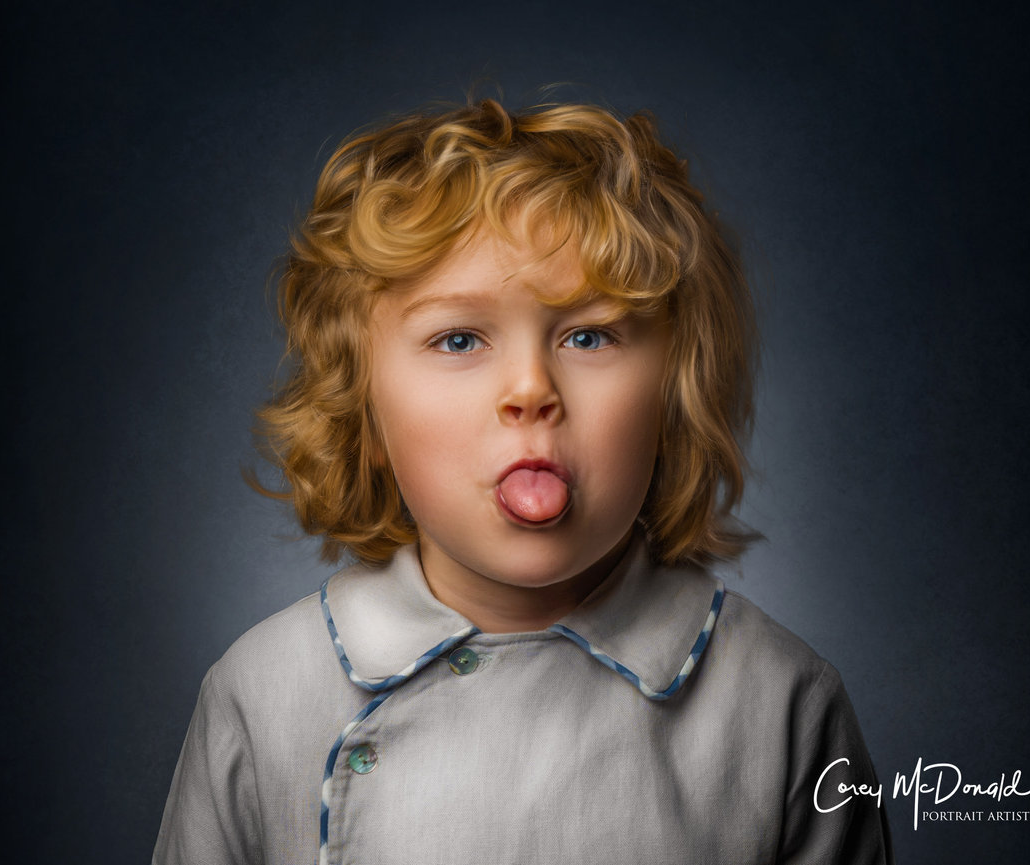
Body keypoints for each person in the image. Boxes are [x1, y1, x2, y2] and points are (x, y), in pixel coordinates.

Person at [154, 99, 894, 864]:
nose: (530, 388)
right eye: (459, 338)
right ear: (365, 414)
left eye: (586, 334)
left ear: (672, 397)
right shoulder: (263, 692)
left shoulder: (781, 701)